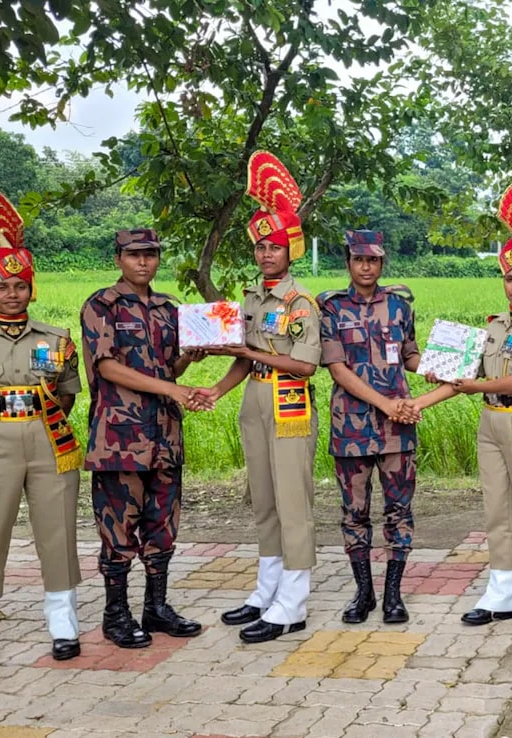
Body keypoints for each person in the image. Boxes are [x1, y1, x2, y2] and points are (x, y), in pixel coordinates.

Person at [0, 187, 84, 676]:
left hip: (49, 440)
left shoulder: (57, 339)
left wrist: (37, 418)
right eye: (2, 287)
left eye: (20, 285)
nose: (12, 293)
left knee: (58, 532)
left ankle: (63, 626)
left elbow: (67, 393)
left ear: (31, 288)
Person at [413, 184, 512, 628]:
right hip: (491, 422)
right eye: (509, 278)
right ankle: (499, 592)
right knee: (496, 510)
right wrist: (420, 397)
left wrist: (475, 384)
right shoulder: (494, 326)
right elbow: (462, 376)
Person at [210, 152, 321, 642]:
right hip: (254, 399)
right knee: (264, 500)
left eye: (274, 247)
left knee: (293, 501)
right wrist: (214, 389)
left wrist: (249, 348)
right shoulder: (253, 298)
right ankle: (266, 589)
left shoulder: (300, 302)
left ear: (290, 250)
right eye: (260, 247)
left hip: (290, 401)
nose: (266, 254)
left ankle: (293, 602)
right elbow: (244, 356)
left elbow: (303, 363)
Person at [81, 228, 209, 649]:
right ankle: (115, 615)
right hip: (120, 437)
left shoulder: (168, 307)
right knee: (118, 532)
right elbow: (107, 367)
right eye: (134, 255)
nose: (143, 262)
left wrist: (191, 355)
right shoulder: (102, 305)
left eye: (151, 255)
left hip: (164, 435)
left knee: (163, 526)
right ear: (118, 257)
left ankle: (156, 608)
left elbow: (170, 368)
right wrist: (171, 389)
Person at [319, 229, 421, 625]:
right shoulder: (332, 308)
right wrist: (385, 405)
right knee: (354, 512)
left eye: (374, 260)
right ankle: (363, 593)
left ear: (382, 263)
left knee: (399, 510)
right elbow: (338, 369)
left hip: (398, 430)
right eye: (359, 259)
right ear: (348, 262)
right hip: (352, 428)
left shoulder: (399, 306)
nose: (366, 266)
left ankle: (394, 595)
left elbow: (409, 355)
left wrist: (448, 364)